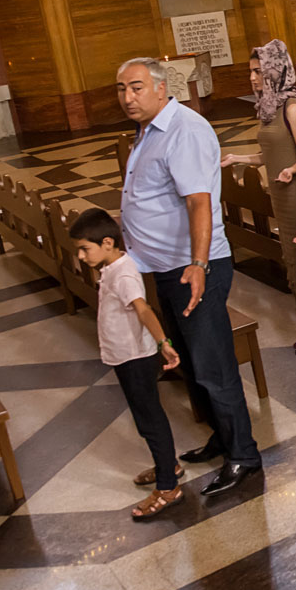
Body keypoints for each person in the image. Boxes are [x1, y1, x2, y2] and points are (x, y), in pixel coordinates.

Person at [116, 57, 261, 497]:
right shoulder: (150, 130)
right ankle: (222, 437)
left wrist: (197, 266)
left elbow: (200, 202)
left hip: (193, 269)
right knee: (194, 363)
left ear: (161, 88)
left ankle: (244, 456)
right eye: (122, 89)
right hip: (166, 269)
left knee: (214, 366)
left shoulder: (186, 129)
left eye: (136, 88)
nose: (127, 97)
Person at [222, 40, 296, 357]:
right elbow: (269, 154)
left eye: (259, 71)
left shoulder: (292, 107)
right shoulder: (269, 106)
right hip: (281, 197)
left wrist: (290, 171)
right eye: (250, 72)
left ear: (275, 69)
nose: (253, 77)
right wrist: (238, 158)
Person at [70, 208, 183, 520]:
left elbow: (144, 310)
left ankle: (168, 485)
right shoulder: (111, 266)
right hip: (124, 355)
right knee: (144, 417)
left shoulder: (123, 272)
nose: (81, 256)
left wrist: (163, 343)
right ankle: (168, 465)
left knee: (150, 419)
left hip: (136, 358)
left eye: (85, 249)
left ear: (108, 242)